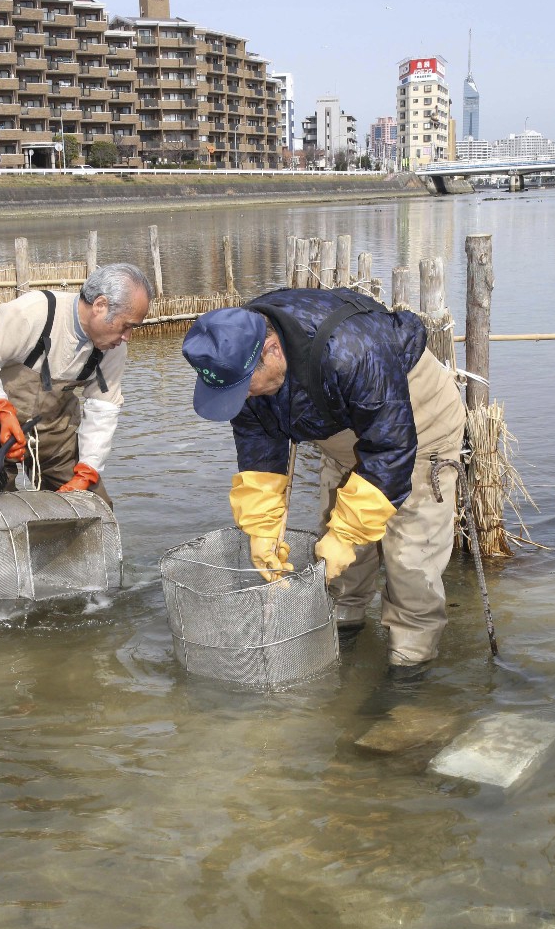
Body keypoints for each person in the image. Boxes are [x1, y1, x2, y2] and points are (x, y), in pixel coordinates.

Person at [182, 286, 466, 668]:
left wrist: (347, 534)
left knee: (409, 556)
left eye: (243, 388)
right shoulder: (237, 353)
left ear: (272, 352)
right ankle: (345, 622)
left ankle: (410, 662)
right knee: (335, 546)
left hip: (414, 414)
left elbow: (391, 451)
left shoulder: (353, 351)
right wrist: (263, 531)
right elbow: (259, 443)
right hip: (336, 418)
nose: (242, 399)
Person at [0, 262, 153, 498]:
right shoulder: (35, 312)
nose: (127, 337)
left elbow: (103, 406)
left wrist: (87, 469)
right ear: (100, 305)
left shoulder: (113, 347)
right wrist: (0, 410)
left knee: (91, 503)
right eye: (126, 326)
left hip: (51, 429)